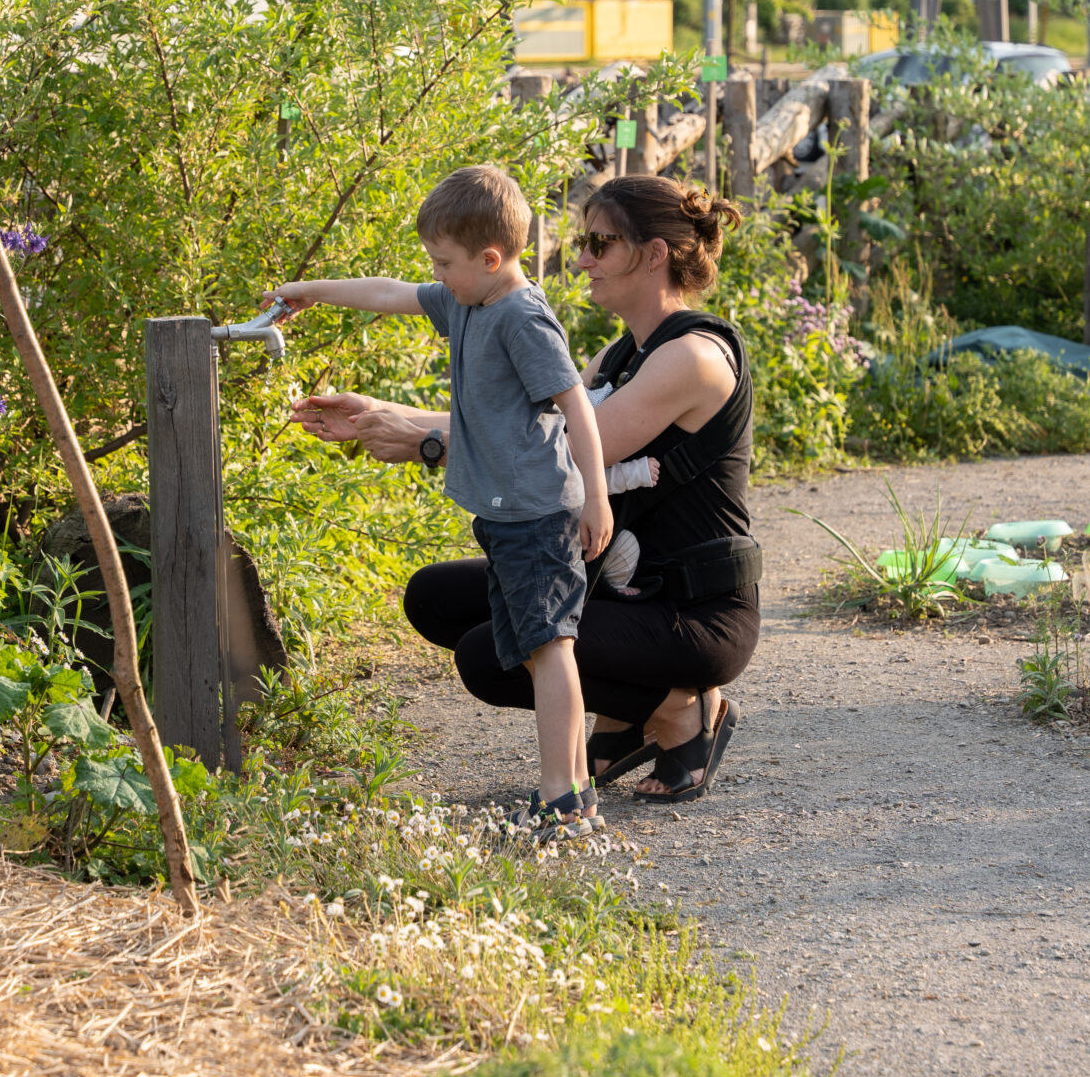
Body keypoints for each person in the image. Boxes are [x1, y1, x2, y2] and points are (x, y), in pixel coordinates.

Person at [290, 174, 758, 803]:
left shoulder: (693, 357)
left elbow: (564, 447)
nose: (583, 259)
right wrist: (378, 412)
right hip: (624, 590)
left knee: (493, 654)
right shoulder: (623, 354)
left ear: (654, 255)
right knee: (435, 598)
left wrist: (423, 443)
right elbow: (521, 426)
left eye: (601, 243)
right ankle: (631, 713)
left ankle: (677, 708)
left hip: (692, 613)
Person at [267, 165, 616, 836]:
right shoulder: (468, 299)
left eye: (446, 262)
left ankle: (561, 797)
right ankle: (574, 795)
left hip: (541, 513)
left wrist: (596, 497)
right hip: (507, 514)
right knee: (546, 647)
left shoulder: (519, 314)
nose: (438, 274)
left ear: (491, 258)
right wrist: (307, 291)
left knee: (552, 649)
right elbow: (391, 292)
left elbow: (578, 406)